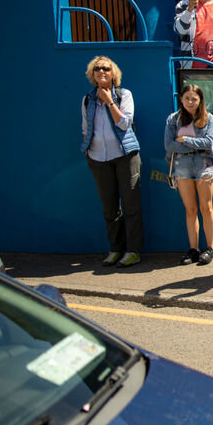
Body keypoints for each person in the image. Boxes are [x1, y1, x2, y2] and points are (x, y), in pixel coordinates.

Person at [80, 56, 143, 268]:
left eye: (105, 68)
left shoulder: (124, 94)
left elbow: (125, 123)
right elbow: (85, 128)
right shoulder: (87, 99)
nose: (101, 72)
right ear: (92, 74)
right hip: (98, 158)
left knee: (131, 204)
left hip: (125, 155)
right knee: (110, 207)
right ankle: (116, 249)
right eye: (97, 69)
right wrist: (88, 148)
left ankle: (133, 251)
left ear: (113, 72)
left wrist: (109, 101)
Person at [165, 84, 213, 265]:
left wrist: (185, 139)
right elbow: (169, 145)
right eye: (187, 98)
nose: (190, 102)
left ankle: (210, 248)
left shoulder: (208, 118)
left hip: (203, 164)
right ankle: (193, 249)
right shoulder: (173, 119)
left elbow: (208, 142)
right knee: (190, 209)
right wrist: (194, 143)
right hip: (182, 164)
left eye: (194, 99)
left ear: (200, 100)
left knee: (206, 207)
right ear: (181, 99)